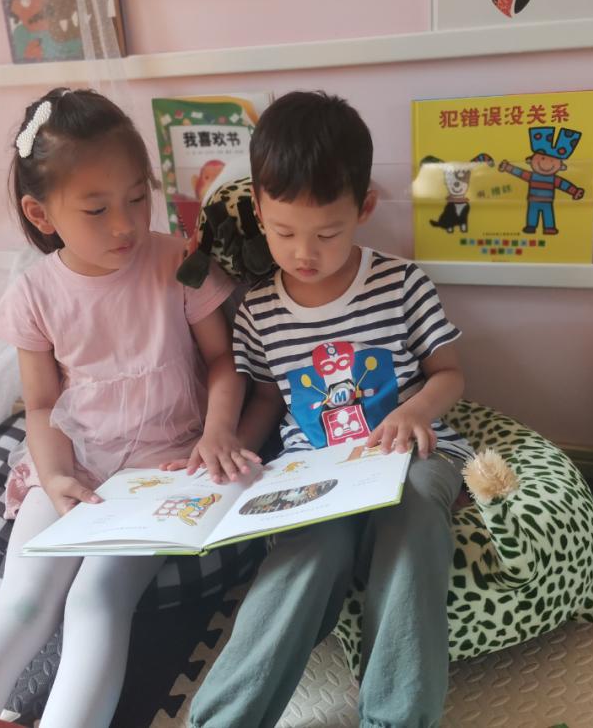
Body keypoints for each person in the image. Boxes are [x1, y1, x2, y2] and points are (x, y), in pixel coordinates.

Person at [0, 88, 259, 727]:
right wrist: (55, 475)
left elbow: (224, 362)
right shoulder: (34, 295)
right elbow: (39, 404)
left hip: (165, 466)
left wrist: (219, 431)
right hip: (76, 462)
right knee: (22, 600)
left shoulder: (179, 260)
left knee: (96, 599)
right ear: (41, 213)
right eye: (96, 208)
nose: (125, 224)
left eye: (138, 198)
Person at [181, 91, 474, 728]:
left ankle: (396, 717)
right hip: (316, 472)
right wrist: (234, 448)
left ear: (364, 208)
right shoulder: (259, 309)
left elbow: (448, 372)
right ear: (258, 210)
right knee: (308, 551)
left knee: (414, 516)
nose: (303, 253)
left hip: (411, 456)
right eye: (283, 232)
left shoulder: (401, 283)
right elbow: (267, 395)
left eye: (327, 233)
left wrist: (416, 412)